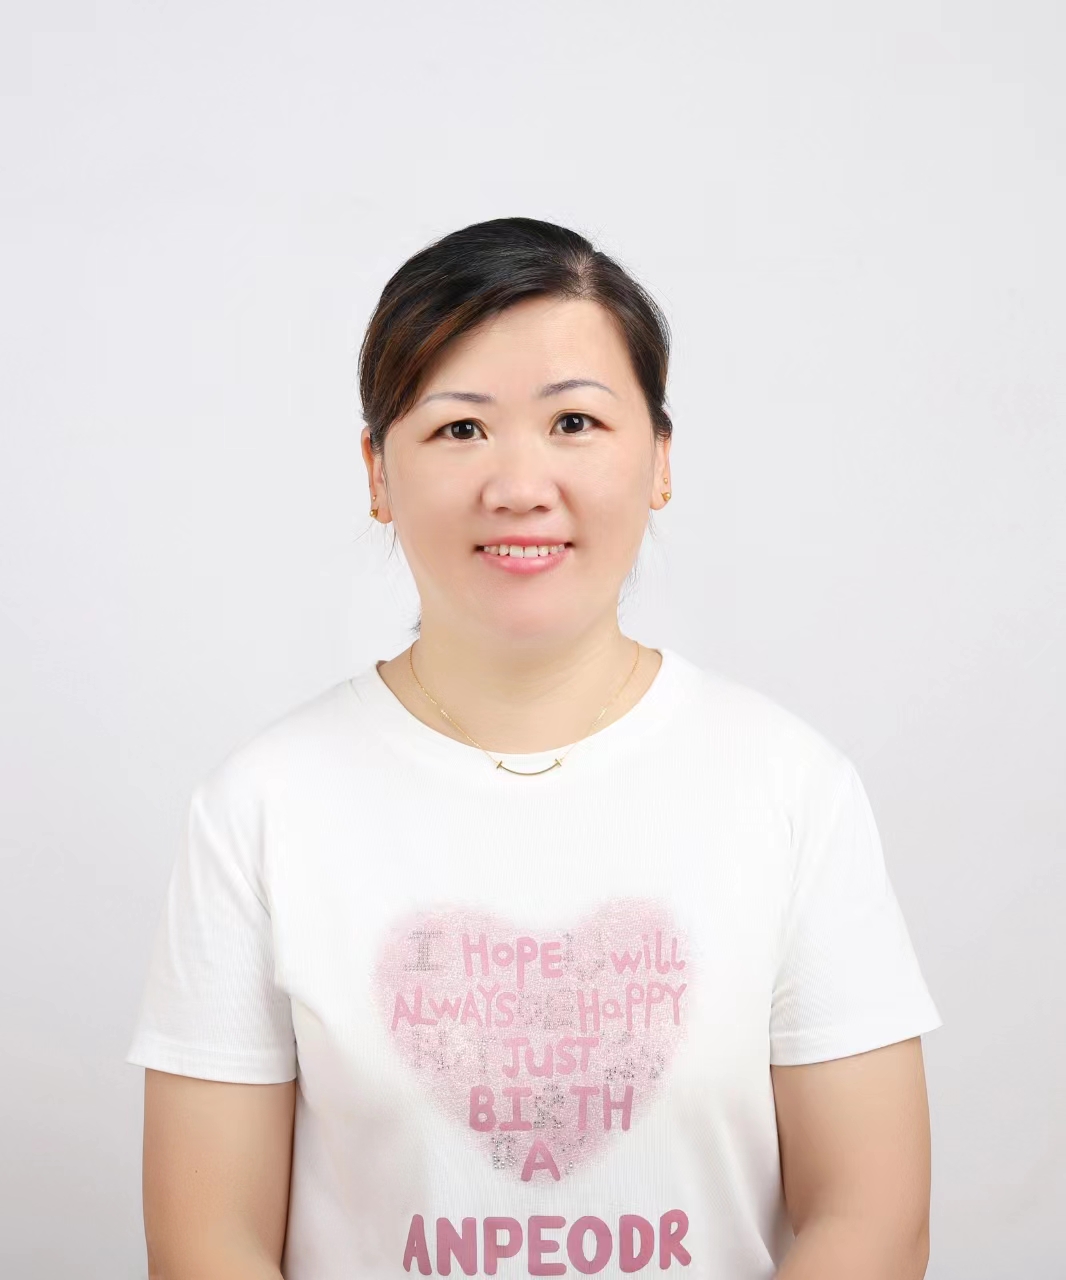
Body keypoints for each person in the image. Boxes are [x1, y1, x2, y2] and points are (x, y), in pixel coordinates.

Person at [126, 216, 942, 1279]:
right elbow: (208, 1241)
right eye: (460, 429)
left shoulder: (790, 788)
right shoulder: (262, 807)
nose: (518, 484)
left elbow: (872, 1218)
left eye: (574, 422)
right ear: (377, 473)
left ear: (659, 458)